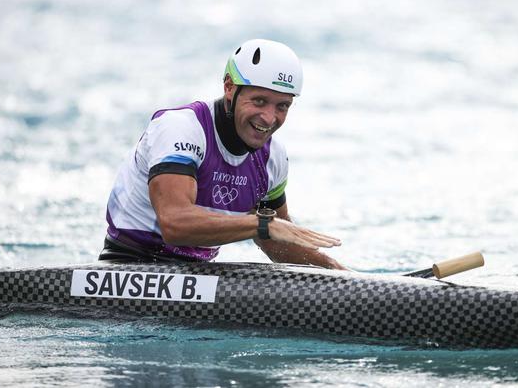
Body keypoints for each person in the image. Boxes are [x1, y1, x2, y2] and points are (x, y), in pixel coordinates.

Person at [100, 39, 346, 270]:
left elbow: (276, 240)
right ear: (229, 87)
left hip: (201, 275)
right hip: (130, 265)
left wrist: (337, 271)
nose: (270, 118)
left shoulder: (273, 157)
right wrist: (261, 225)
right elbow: (174, 222)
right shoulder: (181, 129)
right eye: (260, 101)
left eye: (282, 106)